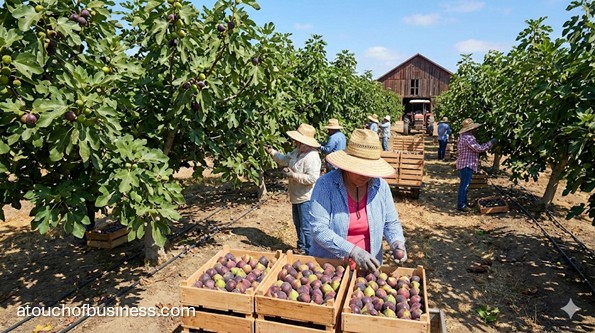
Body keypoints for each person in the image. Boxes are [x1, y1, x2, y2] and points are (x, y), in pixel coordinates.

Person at [308, 129, 407, 272]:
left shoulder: (381, 187)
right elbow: (319, 229)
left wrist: (397, 242)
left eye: (370, 170)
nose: (366, 175)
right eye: (361, 169)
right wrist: (353, 251)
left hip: (369, 268)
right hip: (331, 268)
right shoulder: (326, 185)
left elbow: (390, 222)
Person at [266, 124, 321, 254]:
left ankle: (309, 251)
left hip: (306, 197)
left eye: (298, 141)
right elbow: (284, 159)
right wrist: (272, 152)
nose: (295, 142)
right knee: (298, 224)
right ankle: (301, 247)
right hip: (295, 195)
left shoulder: (312, 157)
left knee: (306, 226)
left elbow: (312, 178)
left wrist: (293, 175)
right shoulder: (297, 152)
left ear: (306, 142)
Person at [456, 118, 497, 212]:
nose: (476, 130)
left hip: (463, 163)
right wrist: (491, 143)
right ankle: (461, 205)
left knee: (464, 185)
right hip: (467, 164)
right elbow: (479, 149)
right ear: (471, 129)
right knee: (464, 185)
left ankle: (464, 203)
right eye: (474, 128)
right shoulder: (468, 138)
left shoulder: (463, 136)